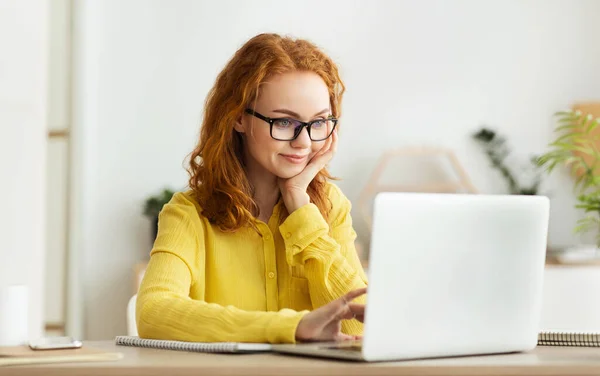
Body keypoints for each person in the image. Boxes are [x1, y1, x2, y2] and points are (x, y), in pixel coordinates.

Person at [136, 33, 368, 344]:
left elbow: (363, 327)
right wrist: (292, 327)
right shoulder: (189, 214)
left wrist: (302, 208)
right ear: (239, 119)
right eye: (285, 122)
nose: (304, 142)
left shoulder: (331, 208)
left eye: (319, 123)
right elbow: (154, 313)